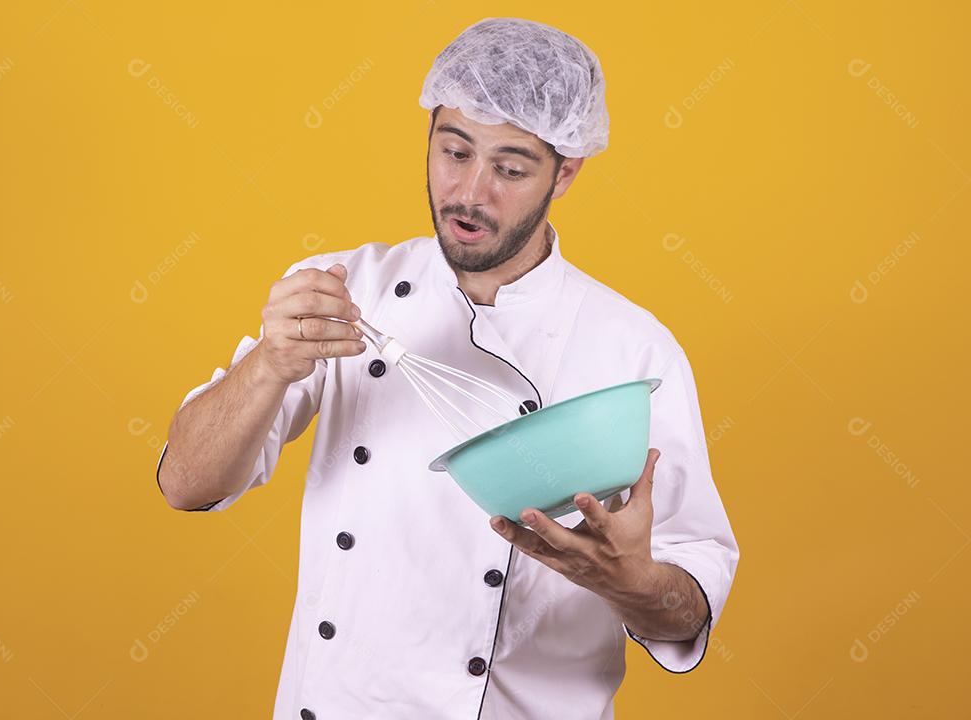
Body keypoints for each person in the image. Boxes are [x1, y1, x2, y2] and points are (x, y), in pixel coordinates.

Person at [156, 17, 738, 720]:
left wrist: (629, 581)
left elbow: (686, 608)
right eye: (454, 151)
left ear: (567, 172)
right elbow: (186, 483)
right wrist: (269, 366)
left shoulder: (631, 348)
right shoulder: (345, 292)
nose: (470, 193)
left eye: (511, 169)